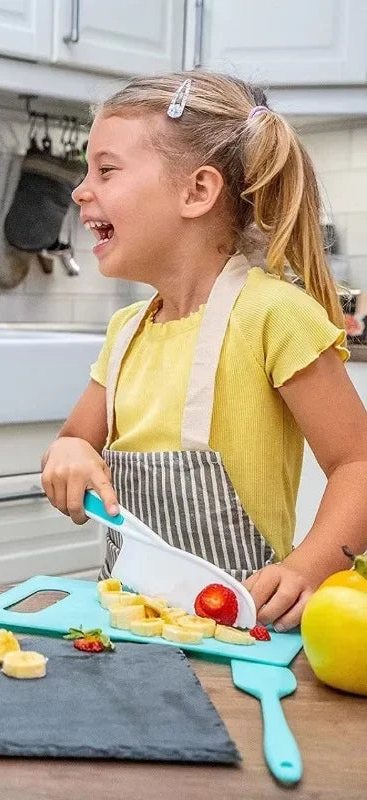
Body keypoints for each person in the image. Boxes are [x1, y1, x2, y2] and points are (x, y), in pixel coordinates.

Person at [41, 72, 367, 630]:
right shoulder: (125, 332)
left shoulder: (273, 315)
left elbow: (357, 464)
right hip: (128, 628)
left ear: (196, 191)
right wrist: (68, 455)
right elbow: (73, 440)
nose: (79, 189)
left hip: (243, 631)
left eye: (106, 170)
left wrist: (308, 570)